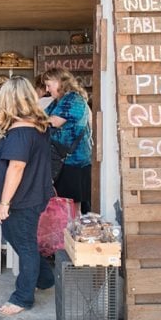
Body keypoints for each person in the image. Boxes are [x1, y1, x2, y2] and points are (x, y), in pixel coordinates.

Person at [0, 76, 55, 315]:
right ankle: (45, 278)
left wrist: (4, 202)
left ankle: (22, 298)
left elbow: (16, 168)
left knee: (25, 245)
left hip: (22, 198)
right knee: (16, 237)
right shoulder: (38, 127)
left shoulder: (20, 133)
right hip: (35, 194)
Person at [42, 68, 92, 213]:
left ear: (59, 82)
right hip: (62, 159)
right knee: (63, 204)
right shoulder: (58, 101)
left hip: (73, 161)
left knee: (71, 205)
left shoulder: (73, 99)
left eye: (48, 84)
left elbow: (52, 122)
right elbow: (42, 118)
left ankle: (70, 233)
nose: (47, 89)